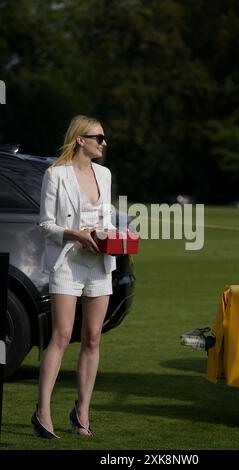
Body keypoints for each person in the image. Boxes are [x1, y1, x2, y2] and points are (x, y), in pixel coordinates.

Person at [31, 115, 117, 438]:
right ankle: (42, 411)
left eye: (104, 138)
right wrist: (77, 235)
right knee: (63, 336)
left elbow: (105, 218)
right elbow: (44, 224)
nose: (103, 143)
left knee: (93, 337)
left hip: (99, 263)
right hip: (67, 263)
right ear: (80, 139)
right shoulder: (55, 175)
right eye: (99, 137)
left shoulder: (104, 175)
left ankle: (82, 412)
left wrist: (110, 236)